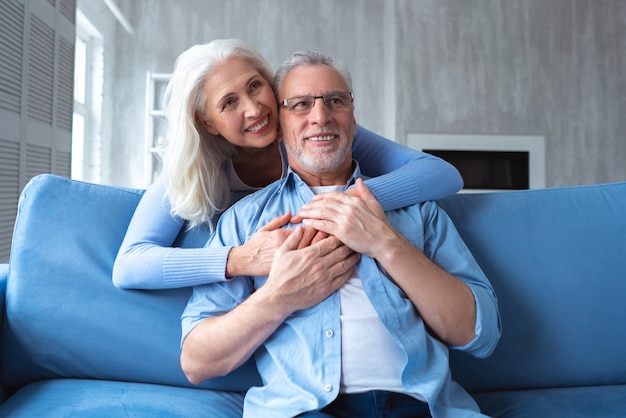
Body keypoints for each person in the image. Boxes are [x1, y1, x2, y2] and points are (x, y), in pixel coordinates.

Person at [180, 50, 501, 417]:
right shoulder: (245, 221)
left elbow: (480, 334)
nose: (321, 117)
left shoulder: (417, 210)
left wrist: (387, 244)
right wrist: (279, 296)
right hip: (303, 410)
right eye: (300, 104)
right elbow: (197, 361)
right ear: (279, 123)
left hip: (423, 407)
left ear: (352, 117)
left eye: (335, 101)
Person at [112, 38, 463, 290]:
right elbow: (129, 264)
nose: (254, 109)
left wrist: (346, 203)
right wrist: (237, 259)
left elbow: (442, 173)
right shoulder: (198, 170)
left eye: (255, 86)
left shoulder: (310, 131)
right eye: (230, 102)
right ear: (206, 122)